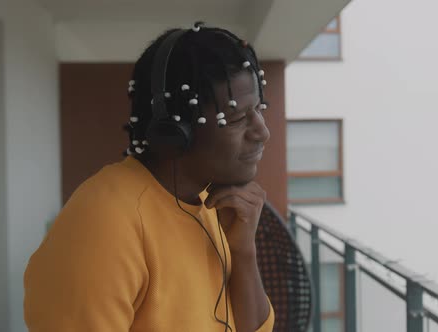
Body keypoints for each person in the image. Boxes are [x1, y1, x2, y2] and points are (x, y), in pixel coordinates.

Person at [24, 22, 274, 332]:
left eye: (260, 110)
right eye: (237, 118)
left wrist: (243, 251)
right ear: (173, 131)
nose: (263, 131)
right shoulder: (105, 221)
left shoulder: (208, 205)